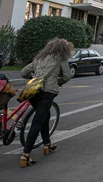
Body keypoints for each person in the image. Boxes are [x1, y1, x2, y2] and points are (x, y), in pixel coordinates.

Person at [20, 38, 73, 167]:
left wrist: (34, 79)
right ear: (64, 49)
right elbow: (67, 76)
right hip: (48, 92)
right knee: (38, 121)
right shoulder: (61, 59)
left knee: (44, 115)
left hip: (33, 92)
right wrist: (57, 82)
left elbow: (23, 72)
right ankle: (26, 154)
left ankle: (46, 144)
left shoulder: (39, 58)